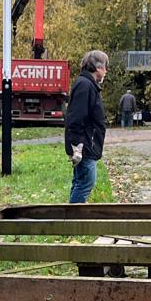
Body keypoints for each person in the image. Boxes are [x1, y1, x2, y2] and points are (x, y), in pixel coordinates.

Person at [63, 49, 108, 203]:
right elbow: (76, 118)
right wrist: (77, 146)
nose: (106, 71)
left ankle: (72, 214)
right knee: (85, 183)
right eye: (105, 67)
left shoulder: (87, 84)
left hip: (87, 143)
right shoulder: (85, 85)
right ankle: (73, 216)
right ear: (98, 68)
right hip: (86, 145)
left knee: (80, 182)